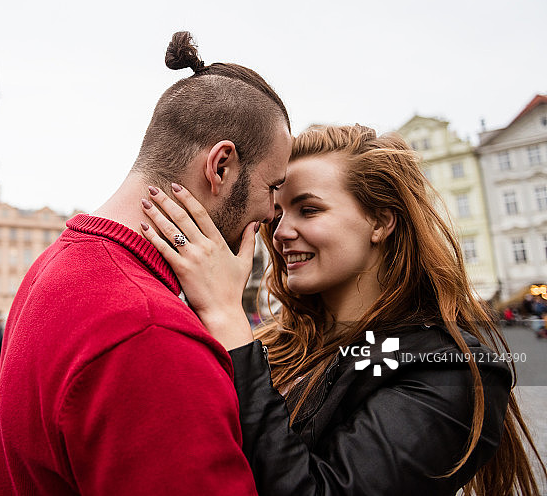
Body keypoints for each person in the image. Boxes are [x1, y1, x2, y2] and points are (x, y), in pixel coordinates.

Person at [140, 124, 546, 495]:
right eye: (278, 213)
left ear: (381, 222)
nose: (281, 231)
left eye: (309, 209)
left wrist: (227, 317)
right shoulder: (272, 343)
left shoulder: (451, 369)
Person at [0, 31, 292, 495]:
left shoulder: (53, 265)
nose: (274, 213)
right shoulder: (152, 333)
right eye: (273, 188)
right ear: (221, 167)